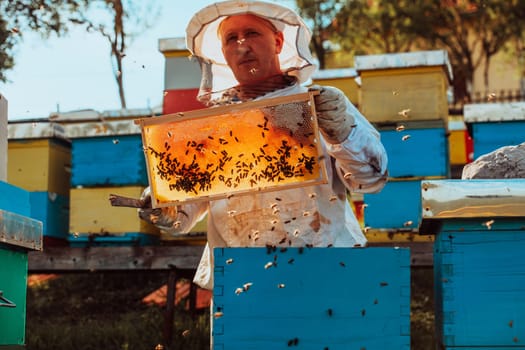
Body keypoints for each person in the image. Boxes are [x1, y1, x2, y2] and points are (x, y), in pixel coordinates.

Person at [139, 0, 388, 291]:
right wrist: (163, 206)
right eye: (232, 38)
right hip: (238, 276)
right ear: (224, 54)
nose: (242, 45)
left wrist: (342, 134)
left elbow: (371, 180)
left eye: (252, 33)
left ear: (279, 41)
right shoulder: (214, 125)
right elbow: (185, 214)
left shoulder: (320, 103)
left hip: (324, 264)